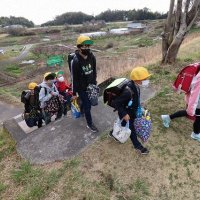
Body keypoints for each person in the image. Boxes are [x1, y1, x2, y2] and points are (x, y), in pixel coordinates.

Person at [110, 66, 151, 154]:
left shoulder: (136, 86)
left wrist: (139, 106)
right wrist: (124, 114)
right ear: (137, 79)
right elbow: (116, 103)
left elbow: (135, 98)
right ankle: (138, 146)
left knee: (123, 123)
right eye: (145, 79)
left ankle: (113, 133)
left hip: (132, 111)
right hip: (127, 113)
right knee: (131, 128)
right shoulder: (127, 91)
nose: (146, 80)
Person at [161, 71, 200, 141]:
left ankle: (167, 117)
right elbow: (195, 92)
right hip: (197, 100)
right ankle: (195, 134)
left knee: (191, 113)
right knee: (196, 116)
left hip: (196, 99)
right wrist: (192, 105)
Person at [71, 35, 98, 132]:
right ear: (79, 47)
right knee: (88, 106)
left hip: (91, 85)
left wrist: (95, 83)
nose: (87, 48)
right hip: (82, 88)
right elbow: (74, 78)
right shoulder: (76, 61)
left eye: (88, 46)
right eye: (84, 46)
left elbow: (94, 70)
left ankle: (82, 109)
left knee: (88, 102)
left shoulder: (92, 56)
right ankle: (89, 124)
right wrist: (74, 93)